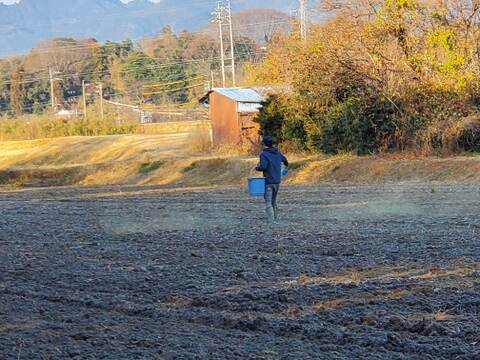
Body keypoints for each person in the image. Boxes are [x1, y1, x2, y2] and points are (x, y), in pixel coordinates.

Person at [255, 136, 289, 223]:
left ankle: (271, 220)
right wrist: (284, 168)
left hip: (268, 181)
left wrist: (257, 168)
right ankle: (276, 218)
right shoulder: (277, 152)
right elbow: (286, 161)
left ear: (264, 144)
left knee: (268, 201)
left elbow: (263, 167)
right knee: (274, 200)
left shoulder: (263, 154)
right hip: (277, 181)